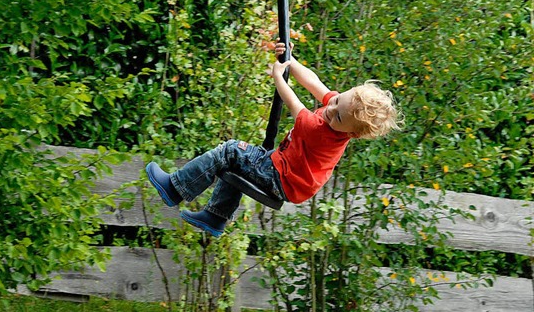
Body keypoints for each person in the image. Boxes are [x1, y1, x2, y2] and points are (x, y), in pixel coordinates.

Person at [145, 41, 401, 237]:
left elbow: (294, 102)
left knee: (231, 151)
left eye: (337, 117)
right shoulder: (339, 109)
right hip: (286, 172)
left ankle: (175, 187)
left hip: (281, 178)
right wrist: (290, 61)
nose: (330, 110)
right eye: (335, 101)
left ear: (351, 133)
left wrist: (279, 75)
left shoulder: (321, 133)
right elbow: (313, 82)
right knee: (240, 165)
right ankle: (215, 217)